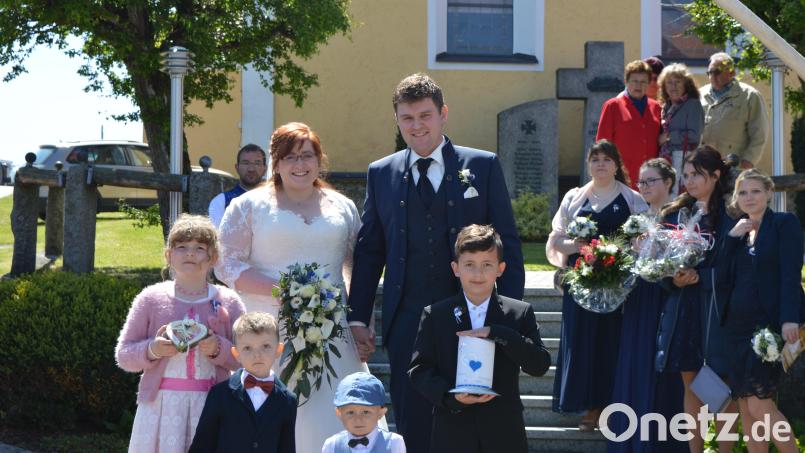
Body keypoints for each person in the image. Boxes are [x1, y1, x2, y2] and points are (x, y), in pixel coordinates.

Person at [349, 73, 525, 453]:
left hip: (472, 318)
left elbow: (507, 243)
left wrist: (507, 317)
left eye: (425, 115)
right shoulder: (382, 172)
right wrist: (358, 316)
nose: (417, 126)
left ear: (443, 114)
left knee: (474, 419)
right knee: (412, 417)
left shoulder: (483, 165)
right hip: (407, 320)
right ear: (397, 120)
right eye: (407, 118)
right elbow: (370, 250)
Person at [216, 122, 378, 453]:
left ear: (320, 160)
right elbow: (226, 264)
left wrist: (362, 322)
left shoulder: (341, 207)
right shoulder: (249, 206)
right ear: (276, 163)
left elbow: (356, 268)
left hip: (333, 332)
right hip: (268, 330)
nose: (300, 165)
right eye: (290, 157)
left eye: (307, 156)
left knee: (338, 411)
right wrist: (285, 289)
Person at [409, 224, 550, 453]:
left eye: (487, 265)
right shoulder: (436, 314)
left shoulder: (519, 312)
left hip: (504, 431)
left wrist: (498, 333)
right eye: (469, 265)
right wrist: (451, 397)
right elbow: (419, 370)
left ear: (500, 268)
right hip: (452, 431)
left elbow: (539, 365)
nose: (478, 274)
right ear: (455, 268)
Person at [115, 214, 245, 453]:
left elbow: (247, 357)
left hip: (212, 405)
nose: (190, 254)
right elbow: (123, 354)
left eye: (199, 248)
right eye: (182, 247)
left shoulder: (229, 300)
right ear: (168, 256)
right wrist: (152, 349)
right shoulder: (150, 298)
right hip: (160, 407)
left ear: (213, 257)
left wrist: (219, 348)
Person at [546, 140, 648, 430]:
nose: (600, 164)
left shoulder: (631, 199)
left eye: (606, 159)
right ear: (588, 164)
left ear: (617, 164)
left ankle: (610, 406)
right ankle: (587, 405)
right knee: (581, 342)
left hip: (617, 285)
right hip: (581, 283)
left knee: (610, 342)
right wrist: (575, 244)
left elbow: (643, 240)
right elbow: (557, 240)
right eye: (595, 159)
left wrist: (620, 256)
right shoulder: (575, 198)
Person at [656, 146, 737, 453]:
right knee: (690, 385)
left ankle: (726, 449)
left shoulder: (731, 216)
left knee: (721, 387)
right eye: (686, 175)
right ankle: (696, 449)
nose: (689, 181)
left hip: (717, 312)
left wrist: (703, 277)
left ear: (716, 176)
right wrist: (672, 278)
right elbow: (660, 266)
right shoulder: (675, 214)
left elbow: (737, 270)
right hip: (684, 310)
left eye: (697, 175)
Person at [715, 169, 802, 453]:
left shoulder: (783, 223)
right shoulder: (738, 232)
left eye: (755, 191)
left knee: (759, 403)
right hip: (735, 329)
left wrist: (790, 317)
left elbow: (790, 273)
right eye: (742, 192)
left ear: (768, 193)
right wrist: (730, 238)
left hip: (767, 327)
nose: (749, 197)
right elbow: (722, 277)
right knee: (745, 408)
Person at [606, 159, 686, 452]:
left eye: (651, 181)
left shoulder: (680, 219)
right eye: (641, 182)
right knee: (634, 362)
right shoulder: (636, 220)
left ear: (668, 182)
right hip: (639, 300)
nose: (645, 187)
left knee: (660, 367)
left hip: (666, 299)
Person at [189, 312, 297, 453]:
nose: (257, 355)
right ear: (236, 353)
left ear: (278, 350)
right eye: (247, 348)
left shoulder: (288, 401)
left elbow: (287, 448)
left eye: (265, 346)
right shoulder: (219, 395)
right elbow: (201, 446)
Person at [596, 60, 663, 188]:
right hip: (621, 179)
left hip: (650, 180)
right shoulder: (613, 106)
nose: (639, 85)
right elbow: (602, 144)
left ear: (648, 83)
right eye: (634, 81)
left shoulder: (656, 107)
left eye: (643, 81)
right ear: (626, 82)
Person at [700, 52, 769, 169]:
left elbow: (760, 134)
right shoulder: (699, 94)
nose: (712, 76)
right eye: (709, 72)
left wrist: (749, 161)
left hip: (733, 166)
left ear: (732, 72)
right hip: (703, 165)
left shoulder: (750, 96)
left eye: (717, 72)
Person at [322, 372, 406, 453]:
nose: (358, 420)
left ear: (381, 413)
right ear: (339, 413)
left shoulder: (394, 443)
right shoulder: (332, 445)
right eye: (350, 412)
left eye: (366, 412)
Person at [657, 63, 704, 195]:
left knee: (680, 195)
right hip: (667, 157)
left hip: (684, 158)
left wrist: (669, 136)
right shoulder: (666, 107)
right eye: (669, 83)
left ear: (686, 85)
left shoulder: (693, 104)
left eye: (678, 82)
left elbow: (695, 135)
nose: (674, 86)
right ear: (664, 87)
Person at [208, 143, 268, 227]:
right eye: (245, 163)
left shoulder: (277, 201)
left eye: (257, 163)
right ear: (237, 167)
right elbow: (218, 237)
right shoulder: (221, 202)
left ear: (265, 168)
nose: (251, 169)